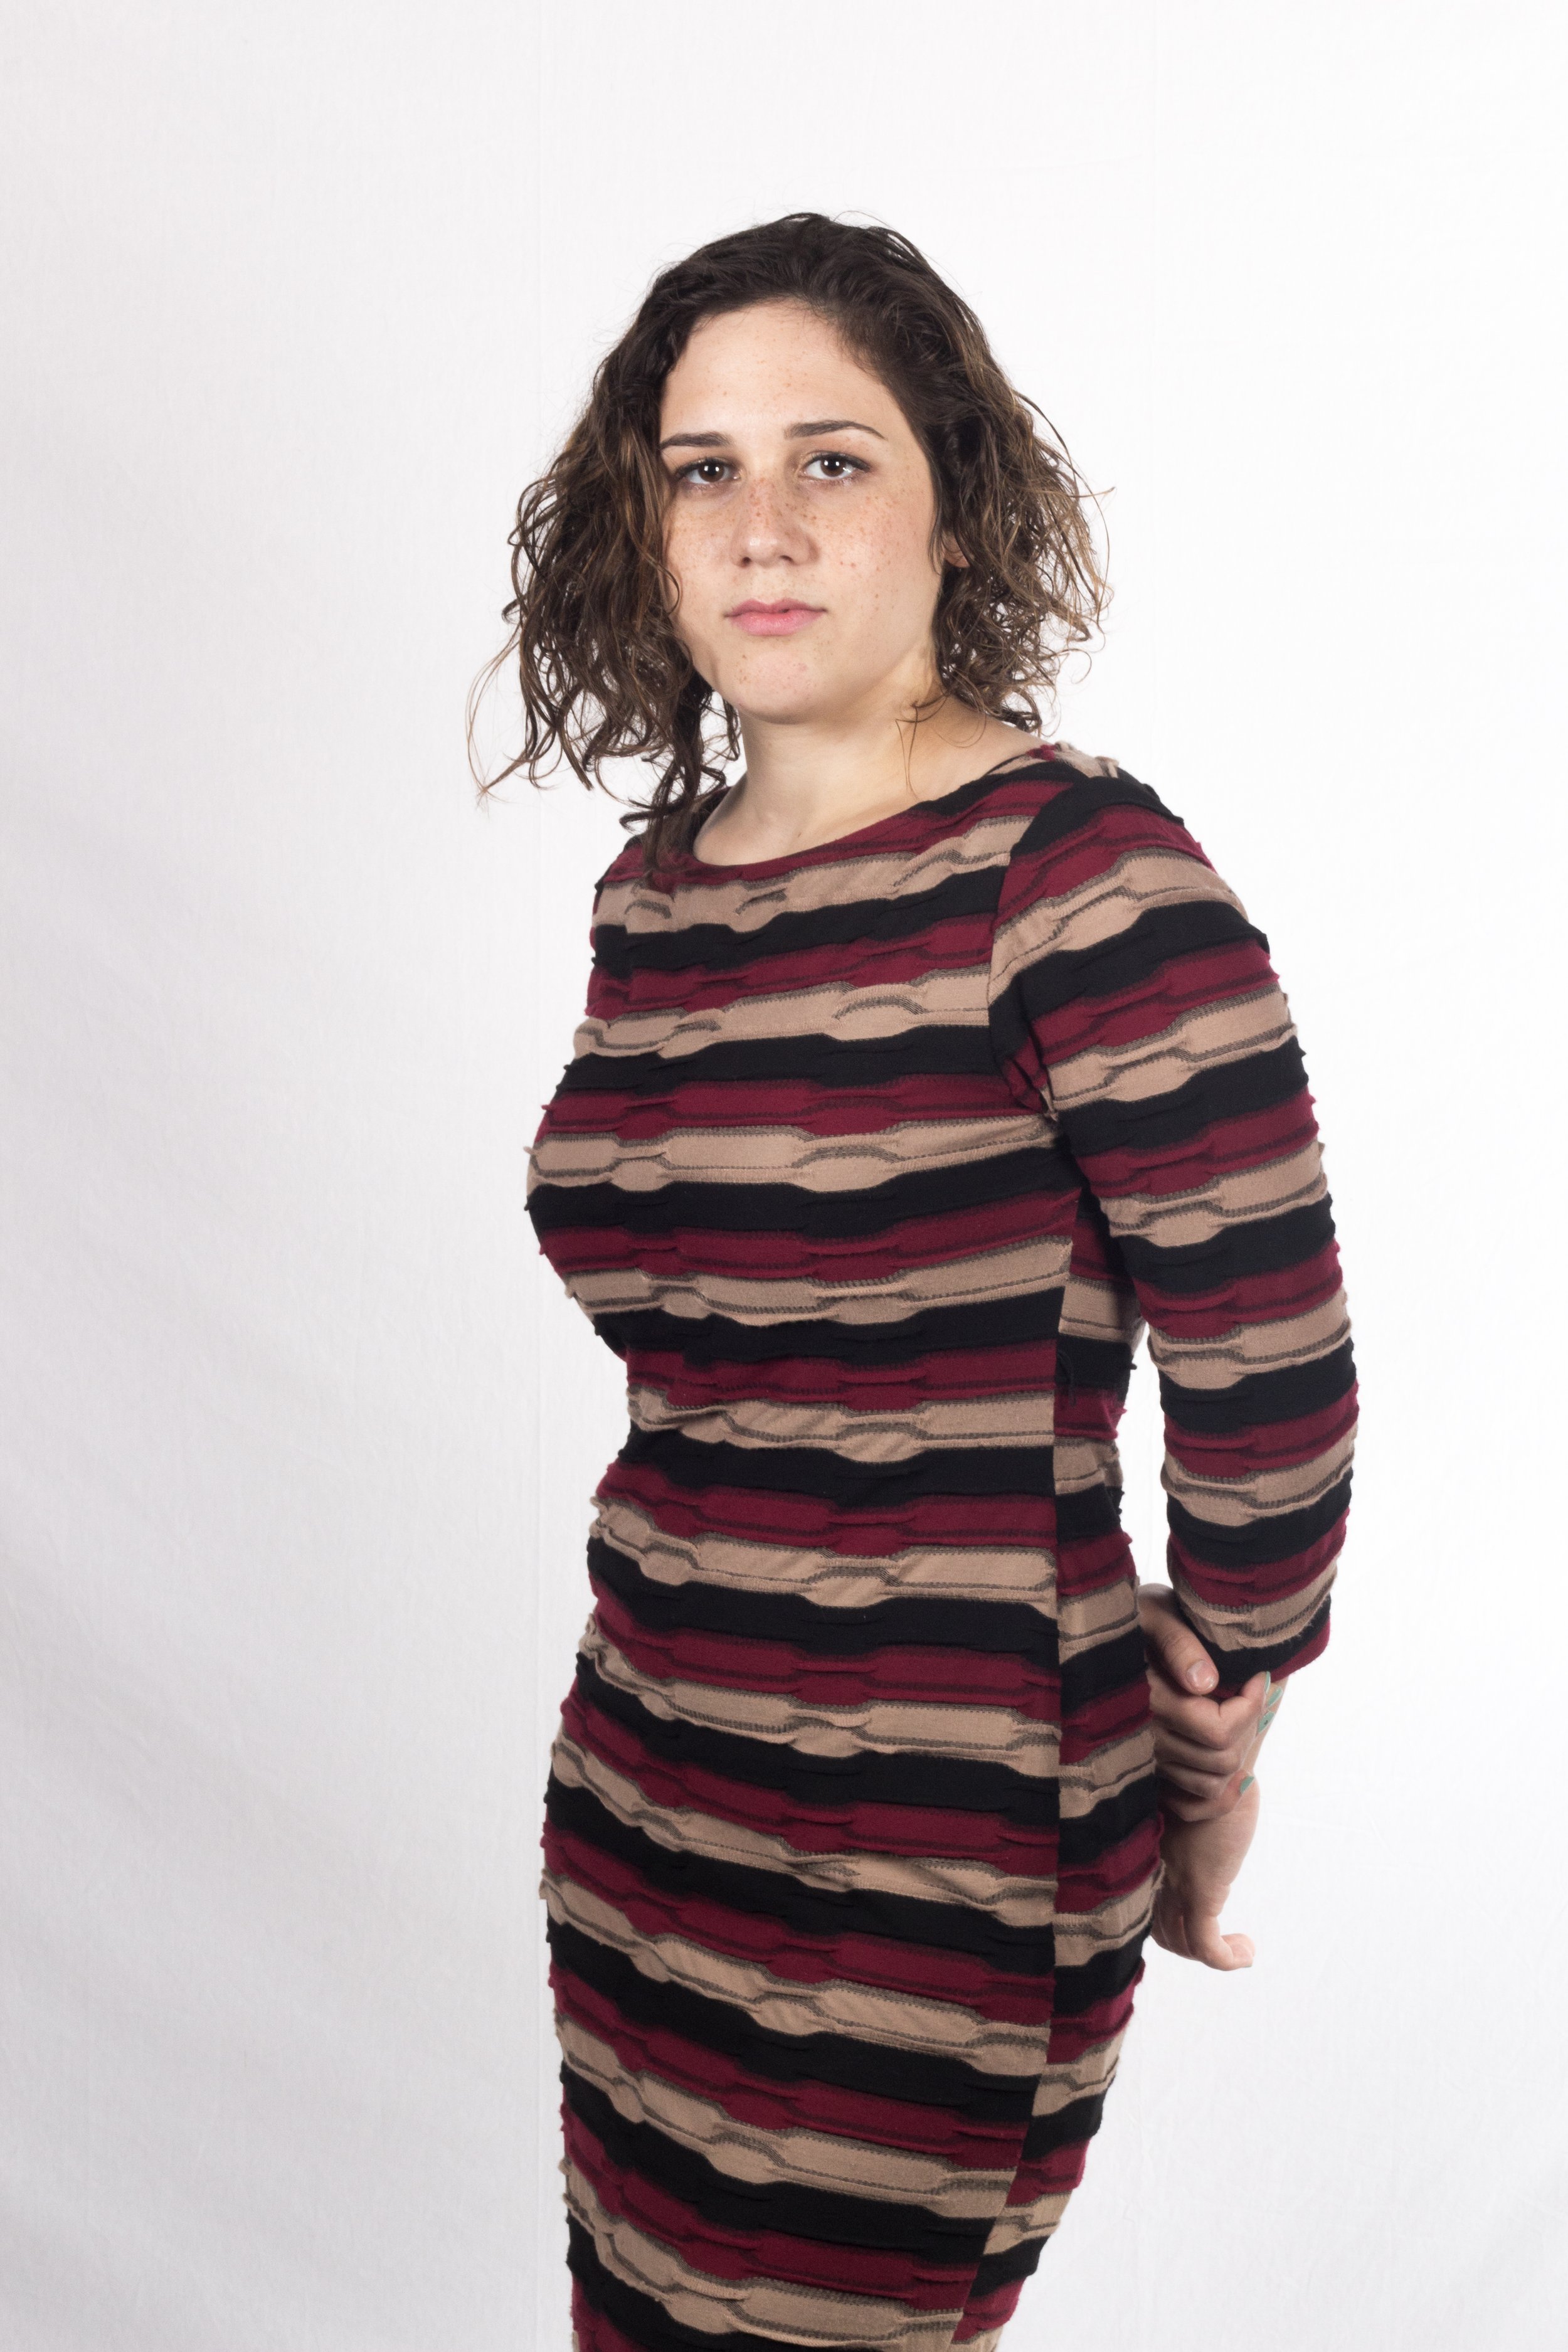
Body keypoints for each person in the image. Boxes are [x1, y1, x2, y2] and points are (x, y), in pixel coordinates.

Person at [494, 212, 1357, 2352]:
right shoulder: (653, 899)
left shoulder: (1079, 879)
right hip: (649, 1780)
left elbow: (1265, 1354)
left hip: (939, 1826)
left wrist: (1217, 1709)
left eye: (834, 459)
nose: (762, 525)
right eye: (703, 470)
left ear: (954, 507)